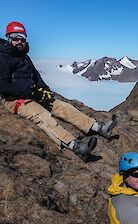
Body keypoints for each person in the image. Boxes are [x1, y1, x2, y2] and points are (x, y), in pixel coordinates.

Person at [0, 21, 117, 160]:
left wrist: (45, 90)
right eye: (15, 37)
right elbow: (3, 86)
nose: (19, 41)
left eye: (22, 37)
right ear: (8, 38)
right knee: (42, 115)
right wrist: (31, 93)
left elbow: (36, 76)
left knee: (63, 107)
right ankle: (75, 145)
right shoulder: (3, 57)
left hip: (32, 94)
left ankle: (98, 127)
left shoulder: (25, 57)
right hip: (14, 99)